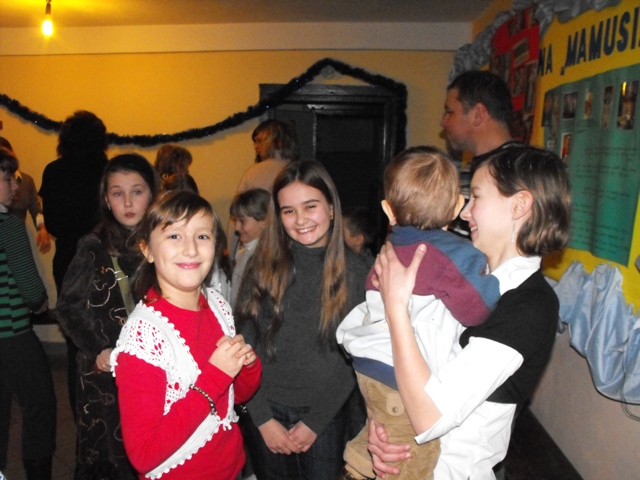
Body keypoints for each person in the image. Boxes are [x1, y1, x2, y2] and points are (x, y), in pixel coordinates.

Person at [367, 146, 571, 480]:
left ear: (519, 205)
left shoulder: (530, 304)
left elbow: (430, 415)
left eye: (476, 197)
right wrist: (383, 426)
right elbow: (405, 361)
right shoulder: (462, 275)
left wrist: (396, 308)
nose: (464, 212)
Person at [336, 147, 500, 480]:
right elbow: (476, 311)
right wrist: (494, 280)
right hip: (400, 376)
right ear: (456, 207)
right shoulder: (453, 254)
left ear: (388, 210)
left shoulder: (390, 249)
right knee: (415, 460)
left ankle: (356, 466)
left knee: (383, 437)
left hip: (369, 368)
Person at [112, 190, 262, 480]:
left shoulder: (216, 304)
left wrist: (247, 365)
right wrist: (216, 375)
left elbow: (235, 396)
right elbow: (143, 455)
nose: (191, 249)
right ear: (147, 249)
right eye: (174, 236)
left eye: (202, 236)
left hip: (230, 468)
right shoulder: (144, 338)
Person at [235, 161, 369, 480]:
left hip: (325, 416)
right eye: (288, 211)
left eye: (310, 206)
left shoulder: (357, 272)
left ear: (331, 208)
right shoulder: (262, 265)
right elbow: (245, 343)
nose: (300, 219)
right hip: (265, 411)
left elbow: (355, 360)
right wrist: (261, 417)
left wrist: (315, 422)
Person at [55, 154, 158, 479]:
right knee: (110, 455)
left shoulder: (165, 242)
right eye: (117, 193)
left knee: (154, 449)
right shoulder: (93, 247)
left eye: (137, 191)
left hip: (155, 368)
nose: (127, 202)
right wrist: (97, 348)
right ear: (106, 199)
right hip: (106, 372)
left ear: (152, 194)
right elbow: (68, 307)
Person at [39, 110, 109, 418]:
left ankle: (80, 410)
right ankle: (107, 405)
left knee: (74, 336)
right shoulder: (106, 170)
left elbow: (52, 223)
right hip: (102, 256)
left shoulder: (54, 170)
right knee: (106, 330)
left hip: (68, 257)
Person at [0, 148, 56, 480]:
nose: (15, 186)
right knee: (40, 407)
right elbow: (31, 289)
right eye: (8, 178)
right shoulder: (8, 225)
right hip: (12, 336)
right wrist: (40, 305)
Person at [229, 120, 300, 258]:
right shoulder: (299, 170)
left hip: (258, 245)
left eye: (259, 141)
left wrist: (231, 253)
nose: (256, 146)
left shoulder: (255, 172)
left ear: (274, 140)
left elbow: (237, 214)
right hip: (288, 244)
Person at [441, 70, 521, 161]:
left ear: (478, 115)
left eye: (450, 112)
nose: (443, 123)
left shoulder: (519, 167)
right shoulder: (516, 163)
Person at [0, 137, 51, 255]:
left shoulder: (26, 181)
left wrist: (43, 229)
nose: (14, 187)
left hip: (17, 240)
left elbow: (36, 209)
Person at [228, 188, 270, 308]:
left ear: (263, 221)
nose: (237, 227)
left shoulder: (267, 259)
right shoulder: (241, 254)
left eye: (242, 221)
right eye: (235, 221)